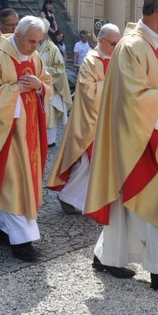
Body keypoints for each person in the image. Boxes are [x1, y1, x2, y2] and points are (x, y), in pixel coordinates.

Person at [84, 0, 158, 296]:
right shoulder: (132, 46)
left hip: (156, 133)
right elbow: (129, 98)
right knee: (154, 202)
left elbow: (156, 85)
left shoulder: (155, 44)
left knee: (128, 202)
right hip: (139, 137)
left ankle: (106, 256)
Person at [0, 16, 52, 262]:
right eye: (31, 41)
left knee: (16, 179)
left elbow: (47, 83)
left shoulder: (35, 58)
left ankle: (0, 229)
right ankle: (23, 242)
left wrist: (40, 86)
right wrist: (16, 89)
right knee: (13, 181)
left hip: (29, 131)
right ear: (16, 35)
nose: (34, 47)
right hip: (6, 133)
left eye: (38, 42)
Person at [47, 23, 120, 214]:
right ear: (101, 41)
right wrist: (115, 87)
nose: (115, 47)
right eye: (113, 43)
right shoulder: (90, 60)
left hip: (110, 120)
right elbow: (89, 91)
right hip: (90, 120)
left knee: (100, 163)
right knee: (85, 162)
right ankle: (69, 197)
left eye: (118, 43)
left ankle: (91, 199)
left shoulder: (117, 58)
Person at [38, 19, 72, 146]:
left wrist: (44, 70)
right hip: (35, 87)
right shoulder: (32, 46)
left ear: (45, 34)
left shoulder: (53, 48)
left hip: (50, 87)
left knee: (50, 113)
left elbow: (60, 68)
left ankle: (49, 140)